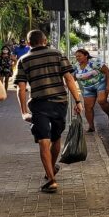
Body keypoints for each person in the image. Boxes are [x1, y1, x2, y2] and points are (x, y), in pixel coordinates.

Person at [14, 30, 83, 193]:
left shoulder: (23, 60)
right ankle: (51, 169)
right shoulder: (58, 54)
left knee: (43, 141)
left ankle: (51, 179)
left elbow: (21, 88)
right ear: (45, 41)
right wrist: (78, 101)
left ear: (29, 43)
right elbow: (69, 79)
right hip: (60, 103)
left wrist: (23, 111)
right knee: (56, 137)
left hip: (39, 105)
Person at [73, 48, 109, 132]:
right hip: (87, 88)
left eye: (79, 56)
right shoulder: (76, 66)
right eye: (76, 56)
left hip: (100, 83)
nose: (77, 58)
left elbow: (107, 71)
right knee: (88, 107)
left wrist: (108, 85)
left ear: (86, 56)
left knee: (101, 101)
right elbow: (73, 78)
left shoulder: (94, 62)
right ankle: (91, 127)